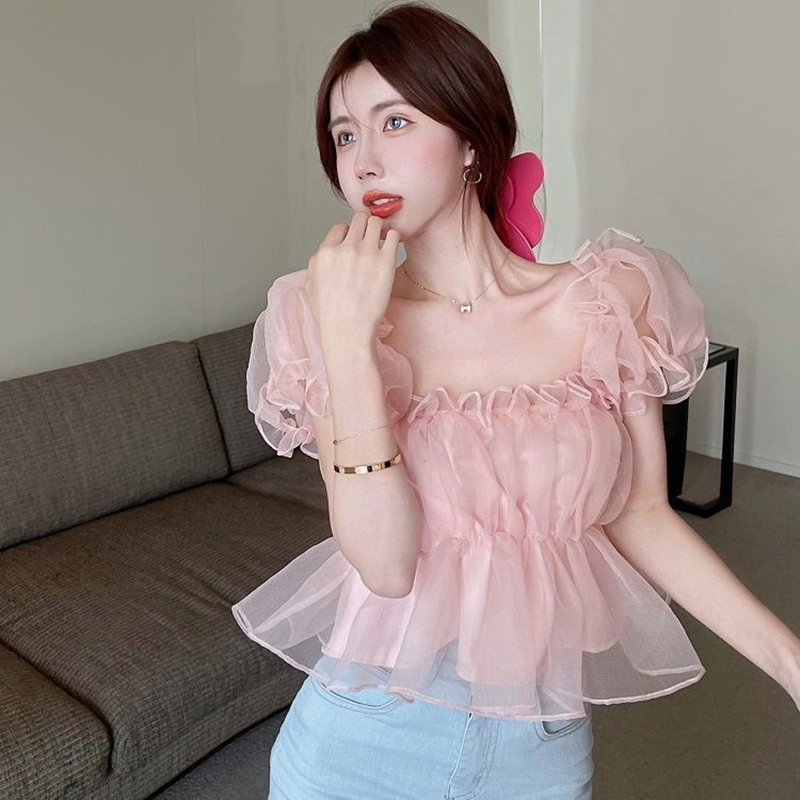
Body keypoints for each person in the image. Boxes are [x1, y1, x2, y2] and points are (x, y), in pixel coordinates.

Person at [232, 3, 800, 798]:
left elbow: (640, 513)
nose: (363, 162)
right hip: (362, 740)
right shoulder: (321, 316)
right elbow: (386, 566)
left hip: (542, 745)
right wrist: (349, 344)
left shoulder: (607, 301)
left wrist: (790, 661)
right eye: (345, 134)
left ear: (472, 139)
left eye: (394, 122)